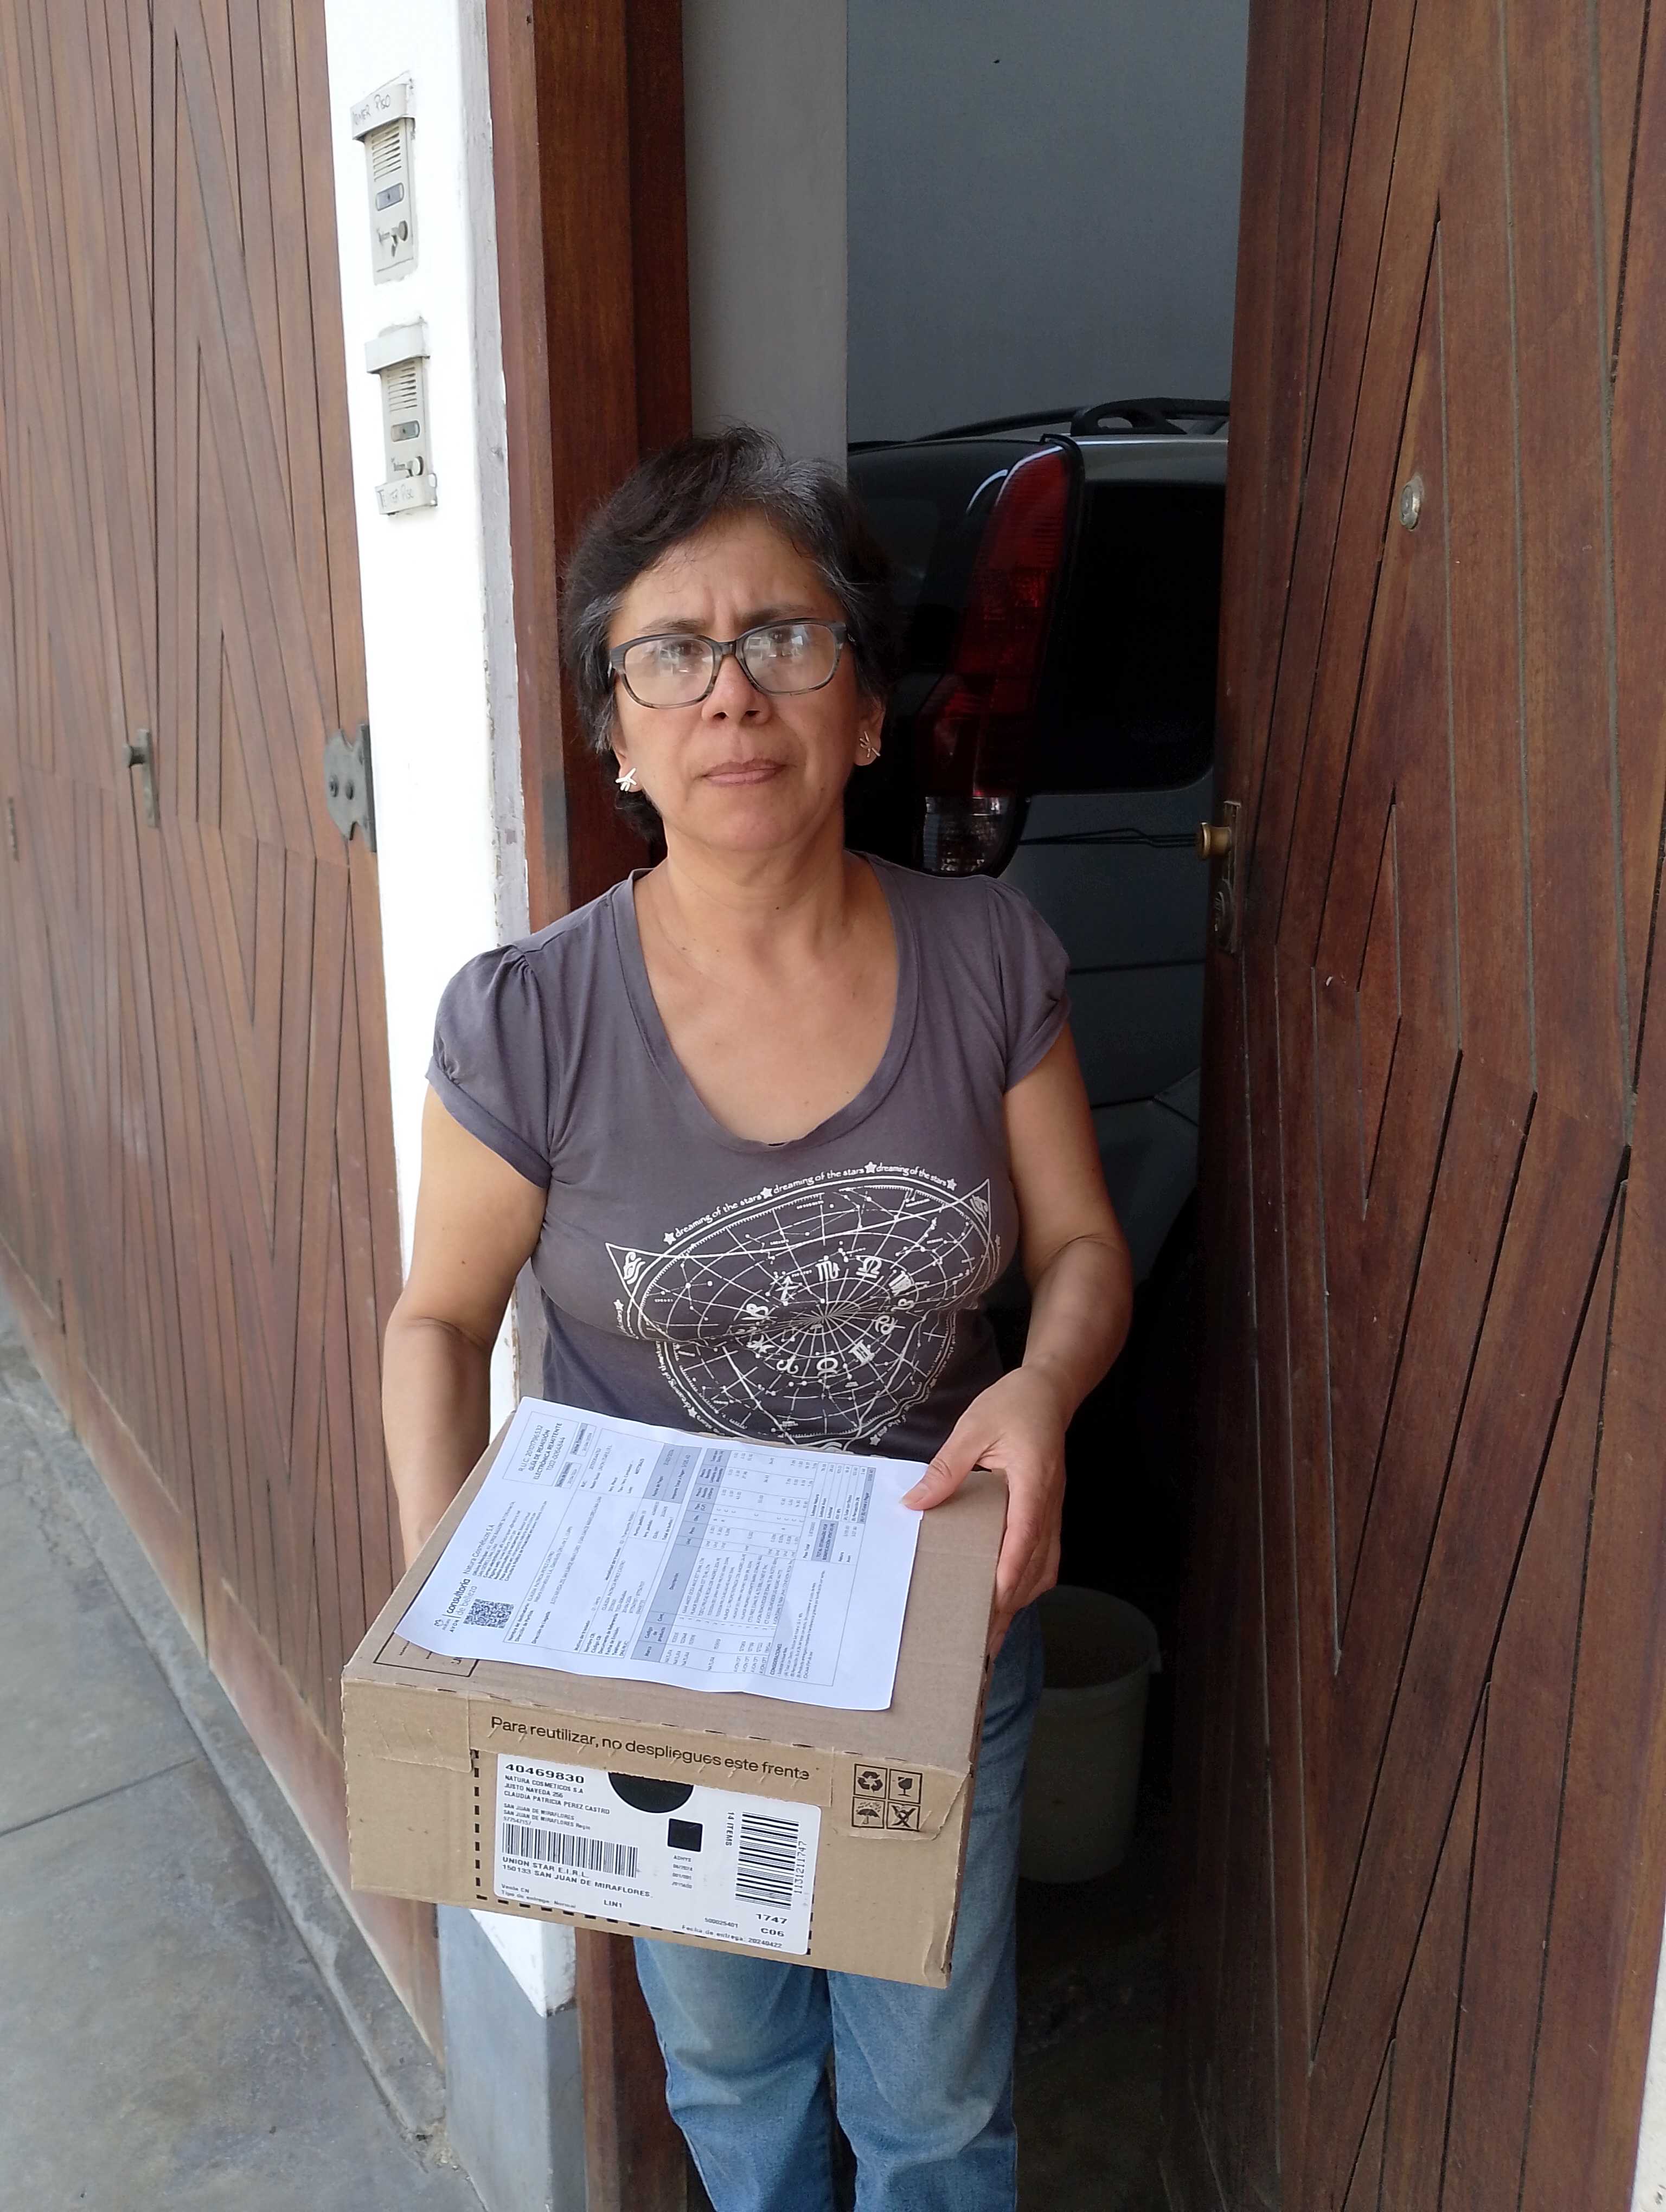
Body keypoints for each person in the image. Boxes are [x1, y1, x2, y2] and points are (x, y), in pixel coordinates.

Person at [382, 428, 1133, 2211]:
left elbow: (1084, 1247)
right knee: (735, 2077)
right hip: (658, 1673)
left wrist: (1043, 1384)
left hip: (933, 1637)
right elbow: (439, 1322)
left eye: (786, 637)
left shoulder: (988, 960)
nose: (732, 692)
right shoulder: (530, 1020)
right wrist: (449, 1618)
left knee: (935, 2106)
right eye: (671, 652)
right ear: (618, 735)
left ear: (864, 711)